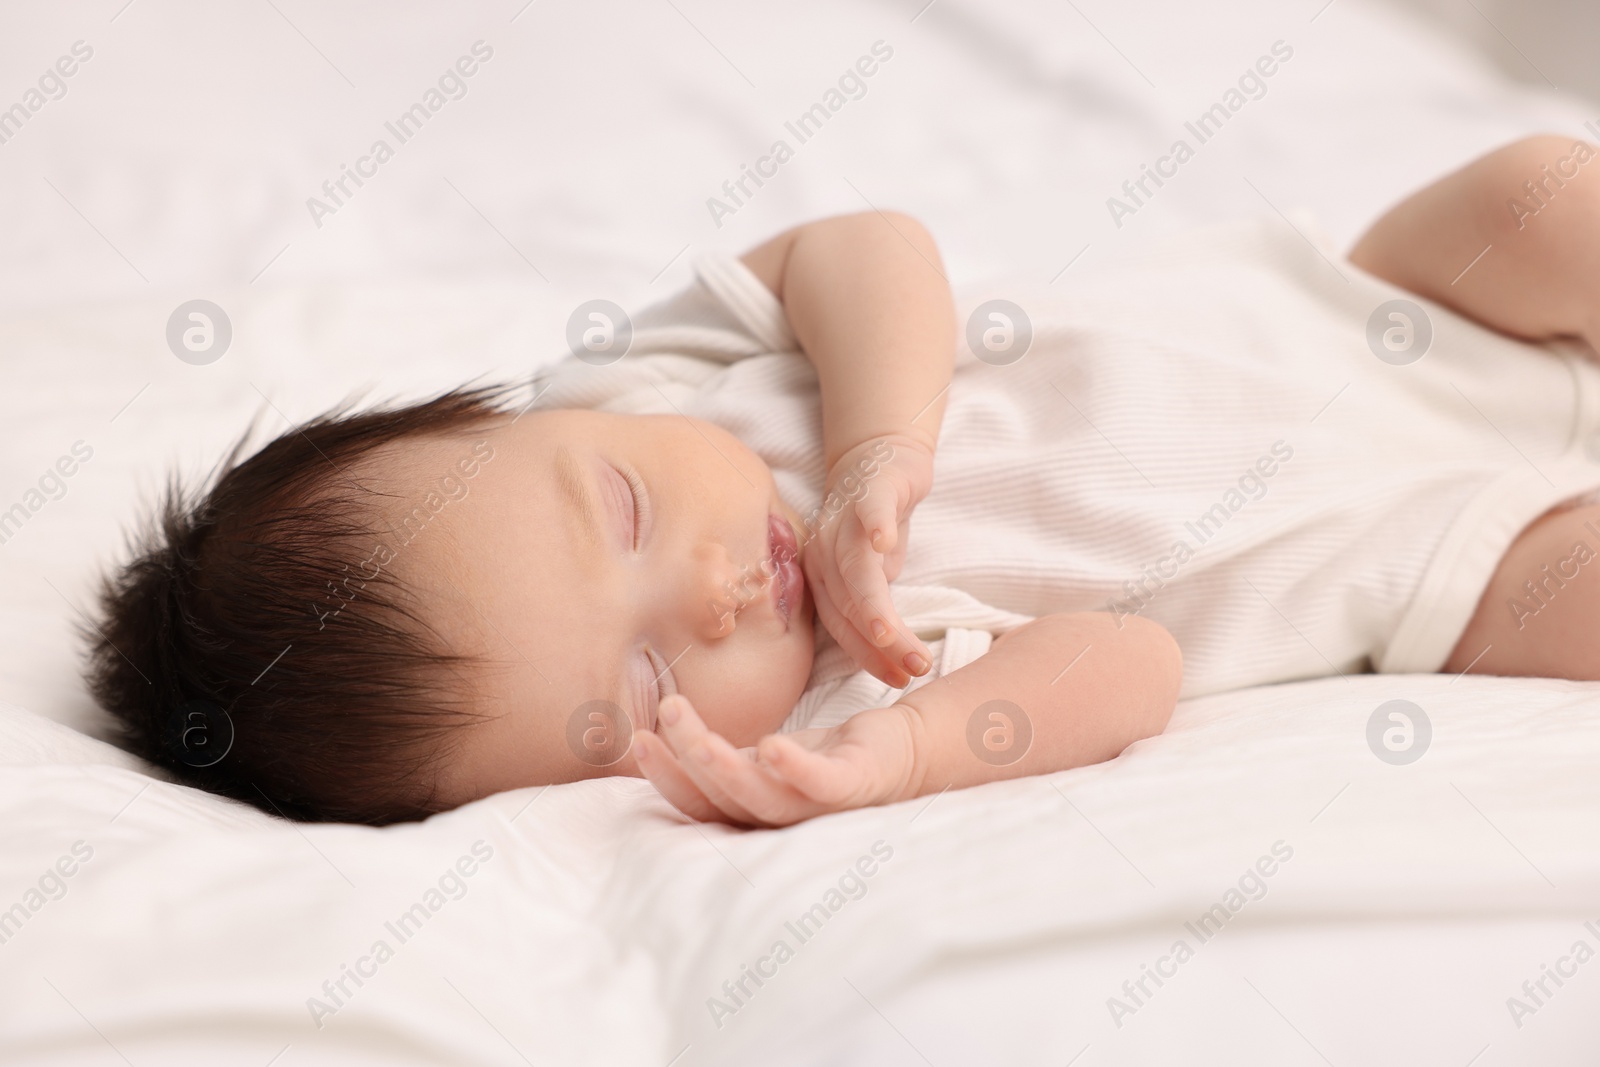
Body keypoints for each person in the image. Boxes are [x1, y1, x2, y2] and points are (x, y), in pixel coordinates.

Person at [86, 134, 1600, 827]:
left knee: (1541, 193)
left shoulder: (646, 386)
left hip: (1394, 309)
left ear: (519, 416)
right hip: (1446, 558)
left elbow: (867, 242)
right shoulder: (848, 698)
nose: (715, 588)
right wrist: (917, 755)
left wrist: (882, 448)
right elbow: (1130, 664)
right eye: (642, 682)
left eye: (621, 514)